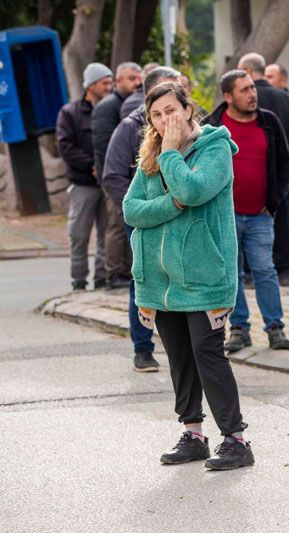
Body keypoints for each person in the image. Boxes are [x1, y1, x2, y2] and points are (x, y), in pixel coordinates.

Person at [122, 82, 254, 470]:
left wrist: (170, 157)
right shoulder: (151, 156)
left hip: (204, 274)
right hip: (161, 282)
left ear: (187, 109)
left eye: (170, 110)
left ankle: (236, 439)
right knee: (179, 356)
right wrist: (171, 202)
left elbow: (194, 190)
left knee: (207, 352)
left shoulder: (214, 148)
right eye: (157, 115)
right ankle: (193, 433)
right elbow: (132, 209)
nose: (165, 120)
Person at [204, 70, 289, 352]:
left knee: (265, 269)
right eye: (243, 90)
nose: (252, 94)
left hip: (260, 215)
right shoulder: (213, 126)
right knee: (232, 272)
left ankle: (275, 327)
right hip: (225, 216)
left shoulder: (269, 122)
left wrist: (274, 201)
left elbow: (284, 162)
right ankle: (239, 327)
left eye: (252, 87)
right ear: (228, 96)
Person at [104, 66, 181, 372]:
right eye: (166, 90)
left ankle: (184, 345)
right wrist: (145, 210)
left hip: (181, 218)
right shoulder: (130, 127)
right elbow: (112, 176)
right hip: (146, 220)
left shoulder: (190, 128)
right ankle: (143, 348)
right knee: (144, 282)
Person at [238, 52, 289, 287]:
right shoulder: (287, 98)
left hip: (257, 167)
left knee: (253, 221)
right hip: (283, 166)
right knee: (282, 217)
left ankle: (252, 272)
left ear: (249, 72)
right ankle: (285, 268)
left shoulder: (248, 99)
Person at [56, 62, 113, 291]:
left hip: (107, 182)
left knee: (106, 234)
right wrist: (91, 165)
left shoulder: (112, 109)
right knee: (78, 234)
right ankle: (78, 279)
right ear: (90, 85)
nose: (109, 86)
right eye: (104, 82)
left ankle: (102, 278)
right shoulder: (70, 112)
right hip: (83, 184)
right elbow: (65, 145)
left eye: (110, 82)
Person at [92, 62, 143, 290]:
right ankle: (114, 273)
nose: (136, 82)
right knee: (115, 225)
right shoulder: (107, 107)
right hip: (113, 176)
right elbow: (104, 146)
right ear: (118, 81)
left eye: (138, 77)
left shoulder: (124, 103)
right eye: (131, 78)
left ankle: (124, 270)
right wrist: (109, 177)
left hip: (121, 174)